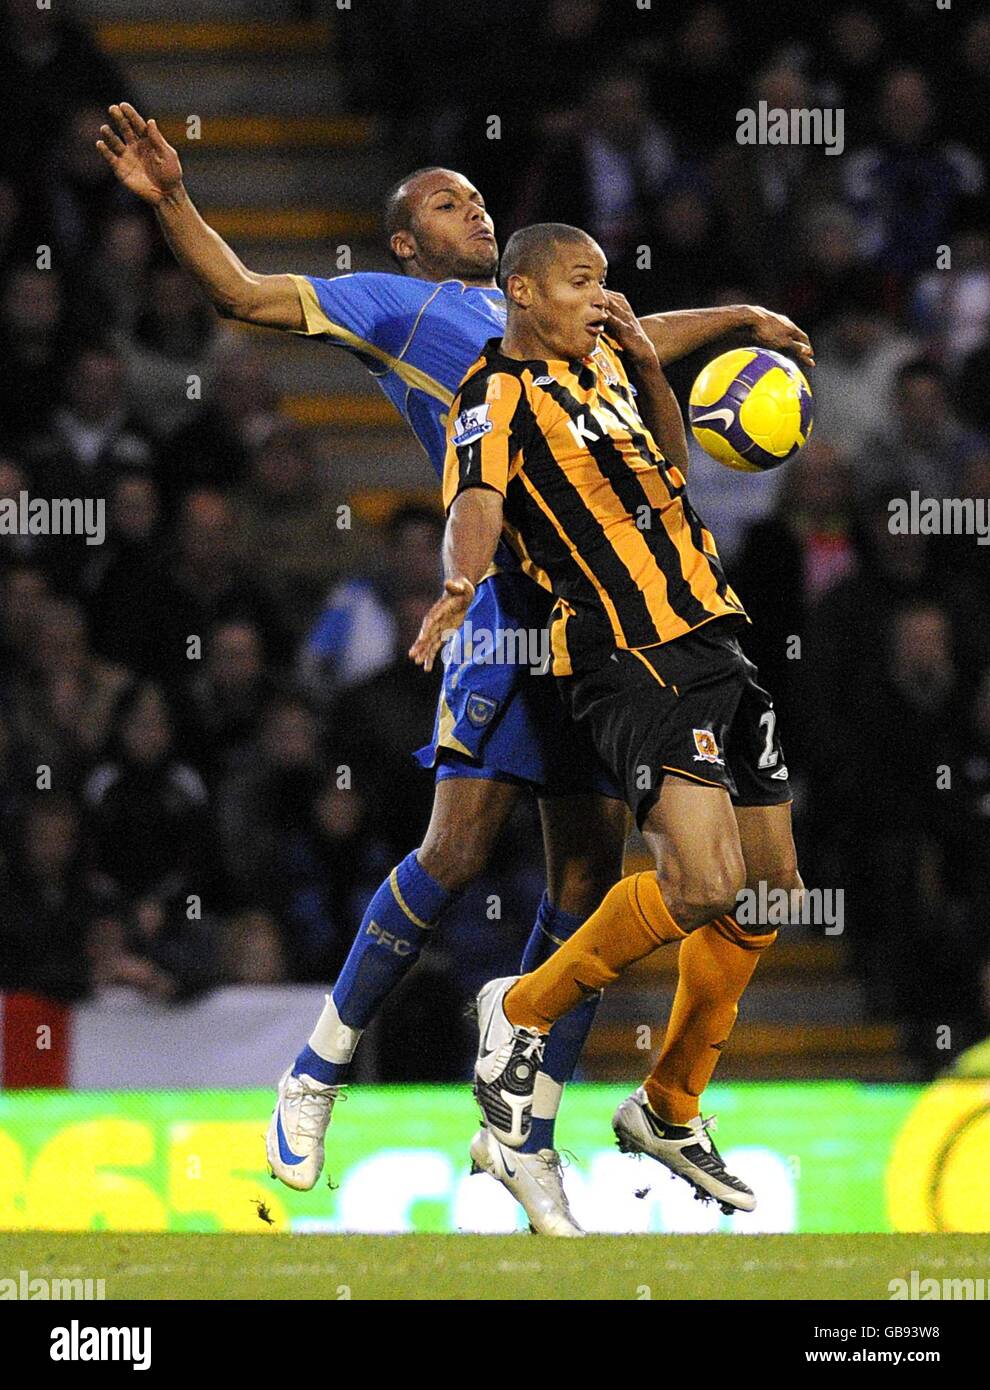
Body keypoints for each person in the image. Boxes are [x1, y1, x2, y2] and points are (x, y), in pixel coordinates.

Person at [98, 102, 812, 1235]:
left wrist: (737, 319)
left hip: (605, 616)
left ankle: (521, 1130)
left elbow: (632, 335)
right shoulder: (398, 307)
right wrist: (176, 198)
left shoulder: (546, 310)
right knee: (456, 846)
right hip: (496, 605)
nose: (471, 207)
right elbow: (241, 292)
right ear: (403, 242)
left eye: (477, 198)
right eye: (444, 202)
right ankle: (318, 1069)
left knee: (583, 886)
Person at [412, 223, 803, 1218]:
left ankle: (668, 1106)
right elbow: (482, 500)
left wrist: (652, 366)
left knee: (768, 894)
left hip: (713, 635)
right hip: (627, 655)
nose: (599, 296)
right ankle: (523, 1006)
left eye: (604, 281)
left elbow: (673, 472)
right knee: (703, 881)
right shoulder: (492, 394)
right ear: (522, 291)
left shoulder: (604, 371)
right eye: (580, 282)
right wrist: (460, 578)